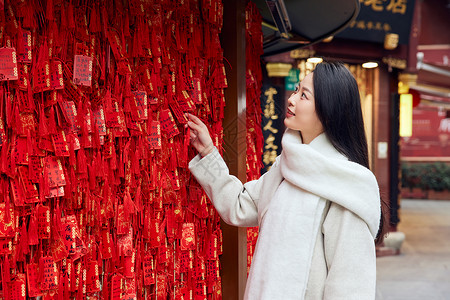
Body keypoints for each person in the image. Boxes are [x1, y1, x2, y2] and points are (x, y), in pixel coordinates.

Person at [186, 61, 387, 300]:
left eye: (304, 95)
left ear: (328, 110)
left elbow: (350, 286)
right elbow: (240, 205)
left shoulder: (347, 184)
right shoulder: (288, 165)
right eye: (296, 90)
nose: (291, 100)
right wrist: (208, 152)